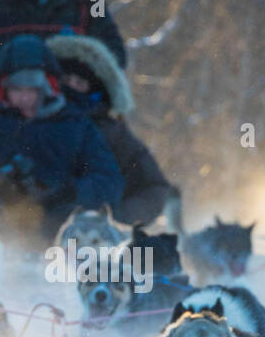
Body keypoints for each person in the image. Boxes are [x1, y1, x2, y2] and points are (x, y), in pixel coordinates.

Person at [0, 35, 124, 240]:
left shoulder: (77, 126)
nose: (25, 97)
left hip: (55, 235)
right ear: (3, 89)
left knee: (71, 219)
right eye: (17, 89)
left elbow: (108, 180)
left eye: (33, 90)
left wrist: (68, 191)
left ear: (49, 88)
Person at [46, 33, 180, 229]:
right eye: (66, 79)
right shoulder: (30, 119)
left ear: (95, 89)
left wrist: (116, 220)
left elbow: (154, 188)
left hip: (93, 239)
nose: (71, 88)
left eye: (80, 83)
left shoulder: (112, 133)